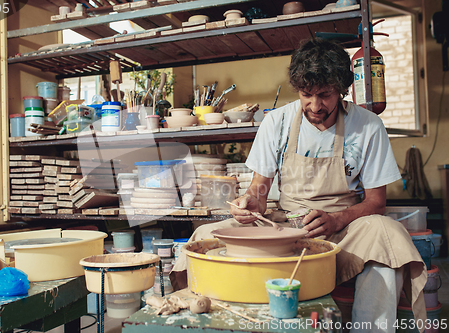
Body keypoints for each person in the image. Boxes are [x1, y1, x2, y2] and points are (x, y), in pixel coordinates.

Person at [171, 38, 427, 333]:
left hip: (343, 231)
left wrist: (338, 219)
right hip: (284, 226)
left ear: (342, 90)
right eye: (307, 94)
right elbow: (260, 189)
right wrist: (251, 202)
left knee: (388, 234)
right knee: (204, 235)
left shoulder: (367, 126)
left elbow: (376, 203)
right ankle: (206, 322)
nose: (315, 105)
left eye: (325, 95)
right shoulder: (276, 122)